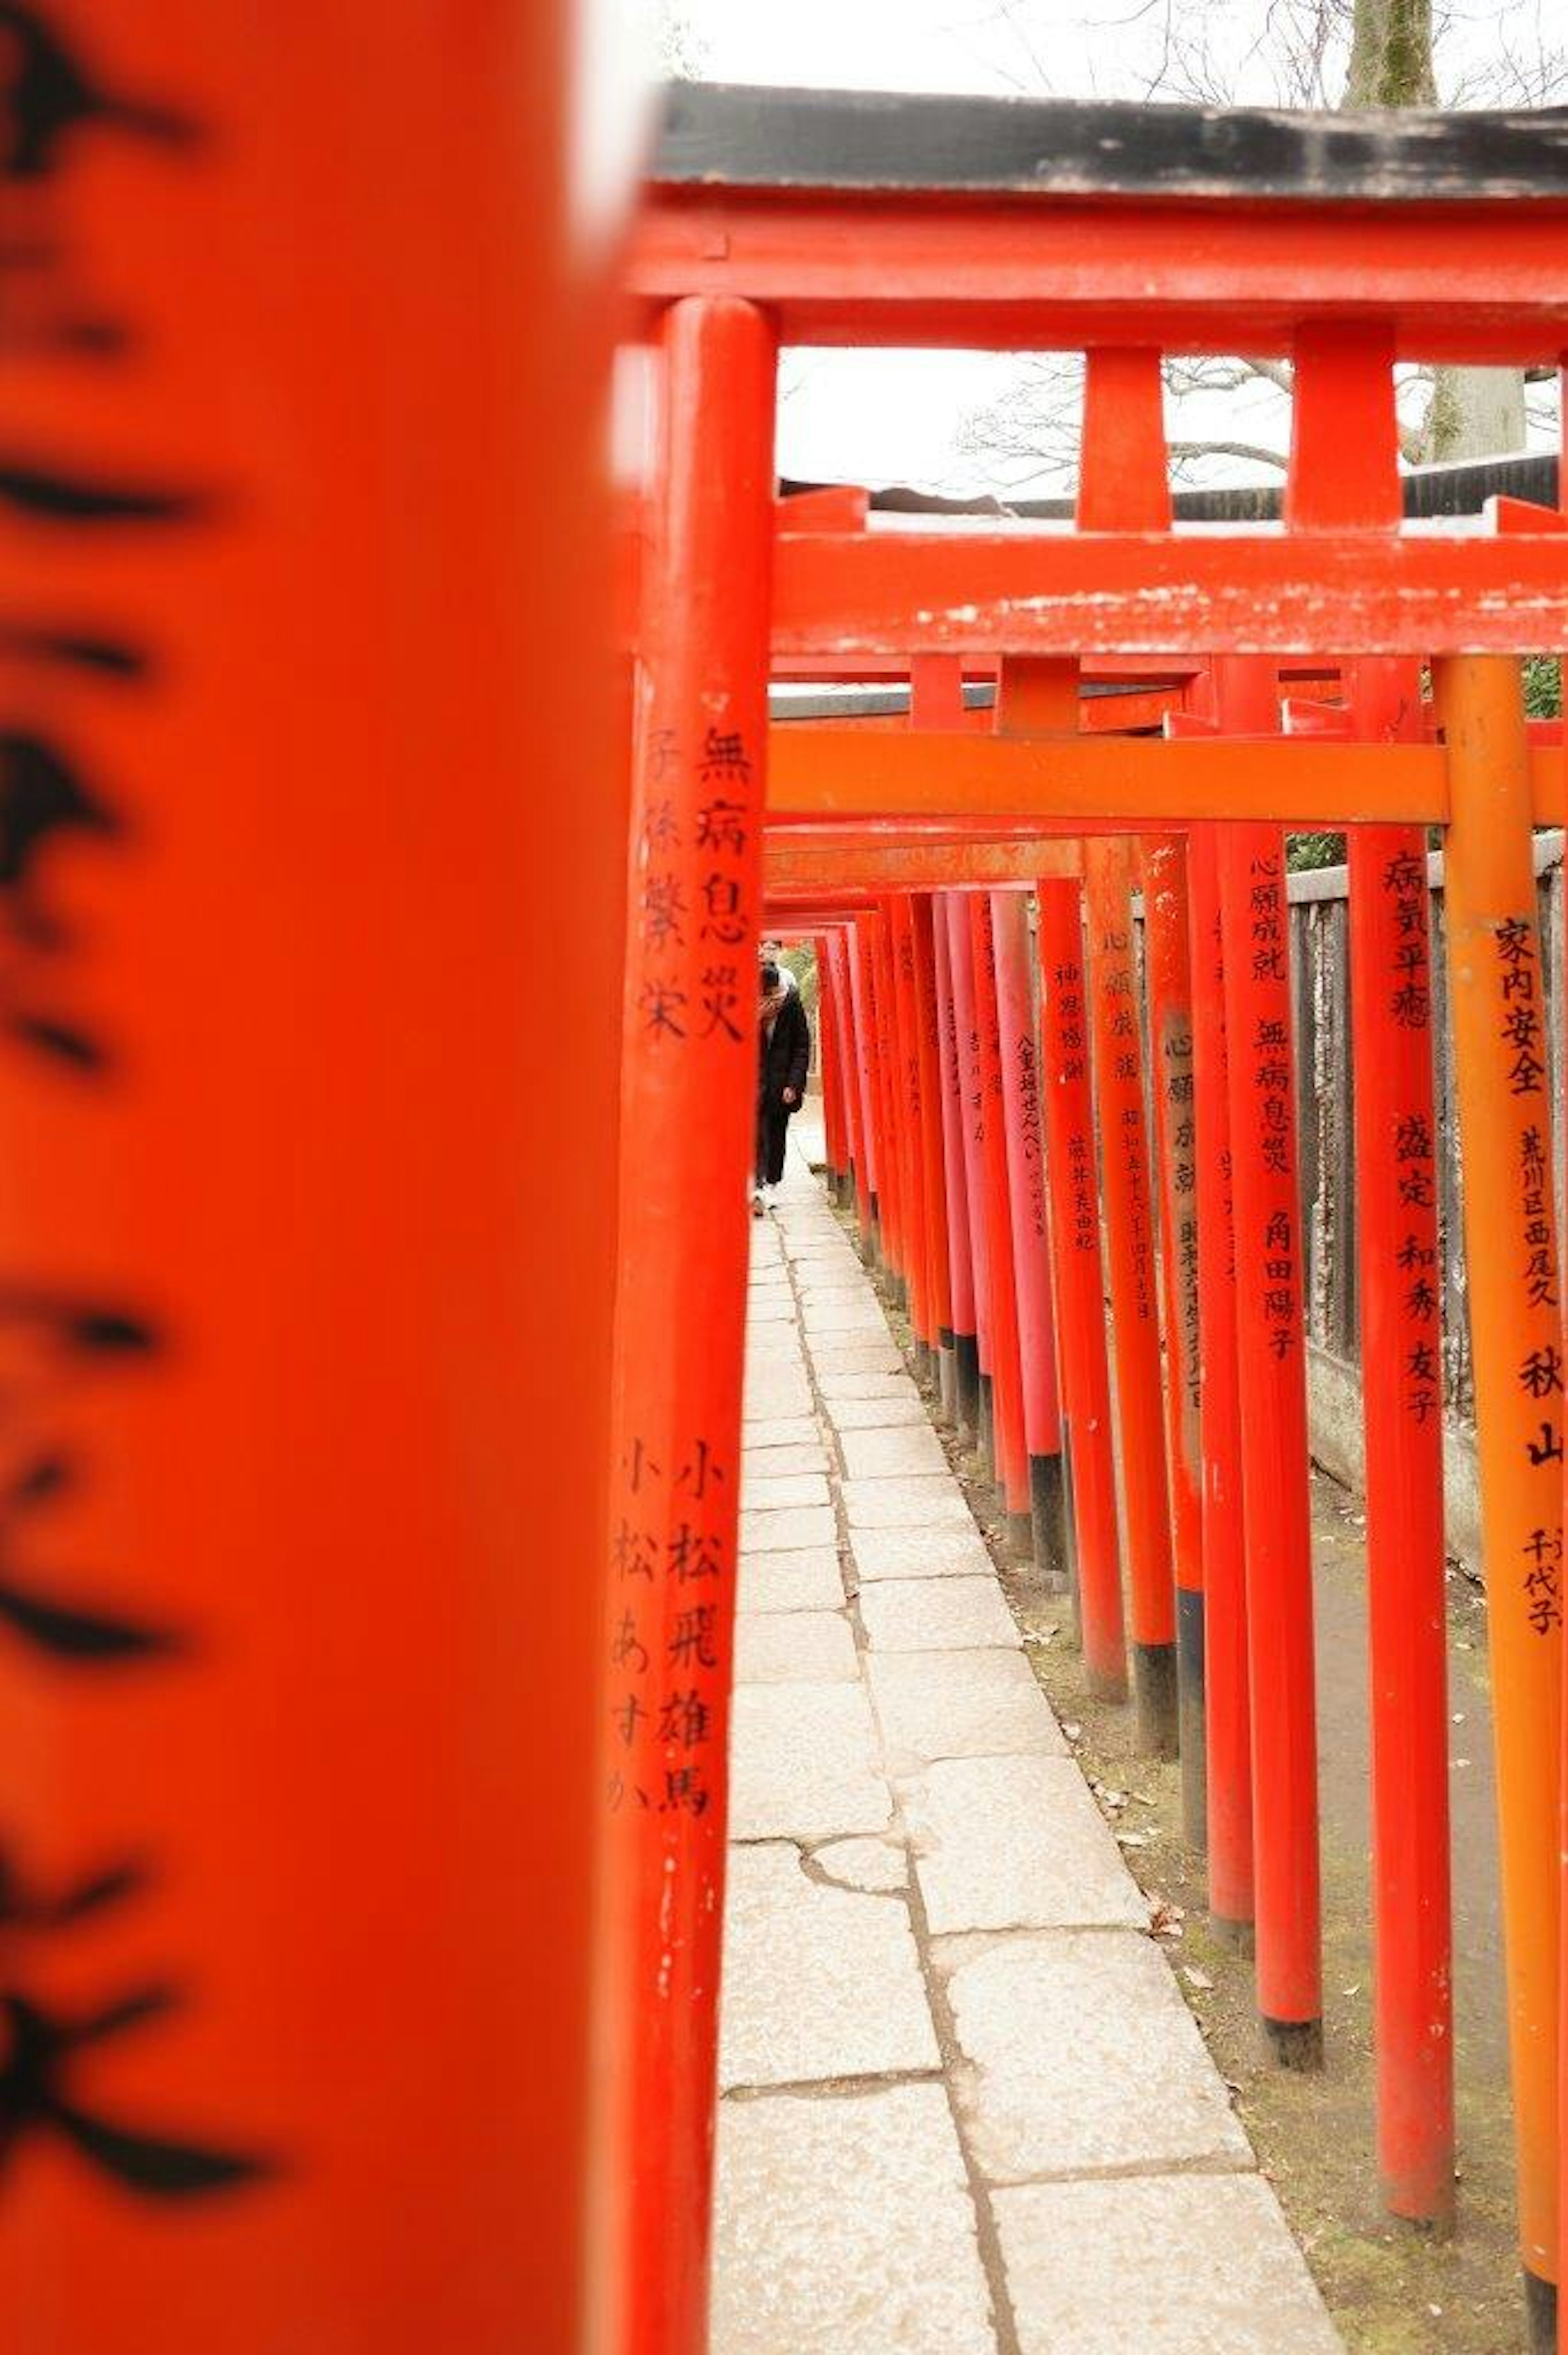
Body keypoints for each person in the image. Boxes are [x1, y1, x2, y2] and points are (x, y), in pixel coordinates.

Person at [755, 958, 810, 1215]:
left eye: (777, 994)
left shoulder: (792, 1005)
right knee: (756, 1134)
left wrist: (794, 1084)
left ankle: (772, 1182)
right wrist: (758, 1021)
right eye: (769, 996)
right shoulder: (751, 1008)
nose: (775, 1000)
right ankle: (758, 1184)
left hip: (782, 1084)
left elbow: (802, 1047)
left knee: (777, 1135)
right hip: (754, 1084)